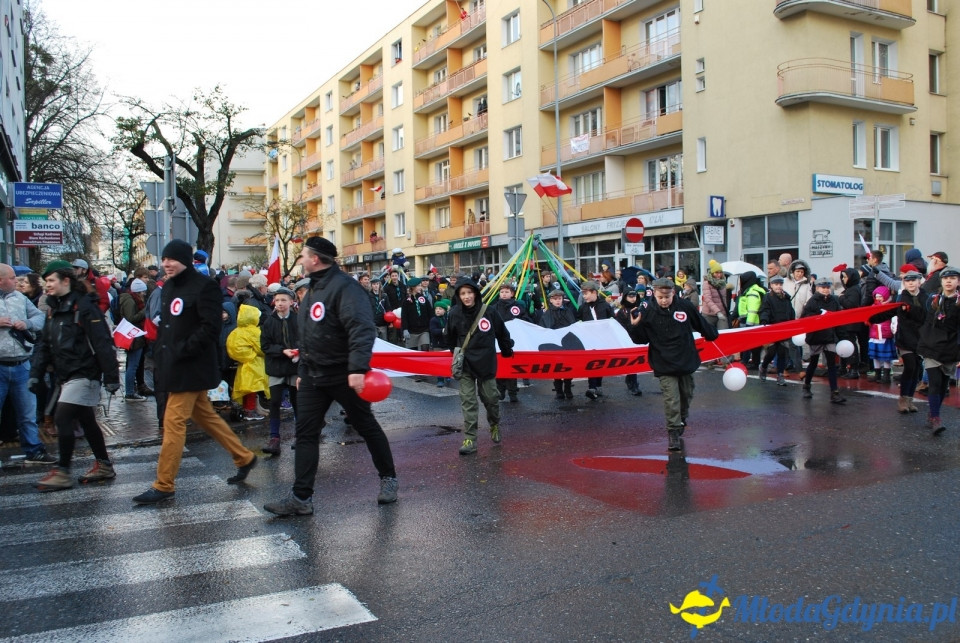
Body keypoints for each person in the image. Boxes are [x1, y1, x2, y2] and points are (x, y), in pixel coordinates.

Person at [264, 237, 399, 516]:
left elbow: (361, 329)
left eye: (303, 255)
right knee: (305, 433)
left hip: (343, 374)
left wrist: (357, 369)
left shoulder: (345, 287)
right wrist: (302, 370)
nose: (301, 260)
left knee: (366, 425)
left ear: (315, 259)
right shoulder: (312, 289)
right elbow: (307, 336)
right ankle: (301, 498)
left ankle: (388, 478)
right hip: (313, 376)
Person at [133, 239, 258, 505]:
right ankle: (244, 457)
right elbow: (167, 326)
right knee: (206, 417)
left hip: (192, 366)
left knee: (173, 423)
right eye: (164, 259)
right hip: (173, 364)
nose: (166, 264)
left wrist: (183, 350)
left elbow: (210, 327)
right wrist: (162, 354)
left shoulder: (204, 287)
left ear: (185, 261)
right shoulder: (168, 287)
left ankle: (164, 484)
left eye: (171, 259)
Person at [30, 263, 120, 490]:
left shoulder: (85, 307)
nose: (47, 285)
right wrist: (36, 373)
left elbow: (102, 342)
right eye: (46, 281)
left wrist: (111, 377)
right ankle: (104, 465)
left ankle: (63, 472)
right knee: (87, 420)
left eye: (51, 280)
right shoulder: (54, 309)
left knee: (63, 417)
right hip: (66, 375)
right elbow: (45, 345)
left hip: (85, 373)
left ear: (66, 281)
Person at [627, 277, 719, 451]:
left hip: (686, 359)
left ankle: (682, 418)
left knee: (686, 394)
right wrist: (634, 326)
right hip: (663, 362)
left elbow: (701, 324)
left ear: (673, 293)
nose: (663, 301)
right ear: (654, 294)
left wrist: (711, 333)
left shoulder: (685, 306)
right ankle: (673, 432)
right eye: (660, 297)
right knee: (671, 399)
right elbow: (640, 339)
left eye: (667, 297)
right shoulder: (647, 311)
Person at [444, 276, 514, 455]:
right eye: (462, 294)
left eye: (469, 292)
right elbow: (450, 339)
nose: (466, 297)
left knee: (491, 399)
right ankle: (470, 439)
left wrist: (507, 350)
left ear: (475, 293)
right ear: (458, 296)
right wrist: (458, 355)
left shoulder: (489, 312)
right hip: (466, 364)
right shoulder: (454, 313)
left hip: (486, 363)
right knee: (468, 402)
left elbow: (502, 333)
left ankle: (494, 424)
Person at [0, 263, 55, 464]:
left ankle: (34, 450)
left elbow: (39, 317)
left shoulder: (20, 298)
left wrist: (28, 324)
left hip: (22, 364)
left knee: (27, 413)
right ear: (1, 280)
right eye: (12, 278)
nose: (17, 281)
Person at [872, 269, 928, 413]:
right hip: (905, 339)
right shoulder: (901, 298)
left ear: (919, 282)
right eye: (907, 281)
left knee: (916, 369)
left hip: (921, 339)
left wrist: (910, 309)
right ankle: (903, 399)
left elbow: (925, 315)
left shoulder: (925, 297)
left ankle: (909, 399)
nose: (911, 283)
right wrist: (872, 319)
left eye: (913, 280)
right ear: (904, 283)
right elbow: (889, 312)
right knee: (910, 366)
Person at [916, 266, 959, 434]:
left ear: (958, 282)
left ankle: (933, 412)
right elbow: (923, 319)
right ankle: (935, 418)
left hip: (950, 349)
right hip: (931, 347)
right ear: (941, 281)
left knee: (942, 385)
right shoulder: (932, 300)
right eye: (946, 278)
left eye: (953, 278)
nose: (949, 281)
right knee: (934, 383)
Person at [260, 287, 299, 455]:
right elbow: (265, 346)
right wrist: (282, 350)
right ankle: (274, 438)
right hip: (276, 366)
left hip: (294, 366)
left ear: (291, 302)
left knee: (297, 401)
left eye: (283, 300)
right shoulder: (269, 322)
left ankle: (300, 435)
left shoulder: (298, 320)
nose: (280, 303)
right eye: (277, 300)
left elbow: (304, 340)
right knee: (275, 401)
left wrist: (297, 350)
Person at [799, 277, 846, 404]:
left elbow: (839, 318)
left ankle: (834, 392)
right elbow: (805, 318)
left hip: (830, 336)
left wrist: (841, 336)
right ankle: (806, 386)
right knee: (813, 363)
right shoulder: (812, 301)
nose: (825, 290)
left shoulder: (834, 300)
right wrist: (819, 315)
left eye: (827, 287)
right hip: (816, 336)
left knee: (831, 365)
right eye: (823, 287)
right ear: (817, 288)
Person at [228, 304, 270, 421]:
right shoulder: (254, 332)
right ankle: (250, 411)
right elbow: (262, 348)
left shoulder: (236, 332)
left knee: (246, 388)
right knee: (253, 388)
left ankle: (253, 408)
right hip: (254, 364)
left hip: (243, 364)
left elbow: (232, 348)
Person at [493, 283, 529, 402]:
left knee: (511, 367)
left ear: (512, 294)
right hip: (498, 341)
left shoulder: (517, 307)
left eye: (506, 292)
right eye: (502, 292)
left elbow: (526, 320)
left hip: (513, 341)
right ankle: (500, 390)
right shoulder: (494, 307)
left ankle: (512, 392)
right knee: (499, 366)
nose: (504, 294)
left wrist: (517, 323)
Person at [578, 280, 615, 399]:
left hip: (603, 340)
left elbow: (612, 321)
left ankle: (598, 386)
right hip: (589, 340)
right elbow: (578, 322)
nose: (584, 296)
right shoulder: (583, 308)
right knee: (592, 363)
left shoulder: (605, 306)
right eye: (583, 294)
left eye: (586, 293)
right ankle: (592, 387)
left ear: (594, 292)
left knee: (601, 363)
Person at [540, 287, 577, 400]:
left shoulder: (567, 311)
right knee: (556, 367)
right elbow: (544, 327)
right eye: (555, 299)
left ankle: (568, 388)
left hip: (567, 343)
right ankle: (559, 390)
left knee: (568, 366)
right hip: (554, 343)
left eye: (559, 298)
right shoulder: (548, 313)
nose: (558, 301)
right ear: (551, 300)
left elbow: (573, 325)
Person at [758, 276, 794, 386]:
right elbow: (765, 310)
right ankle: (764, 366)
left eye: (780, 284)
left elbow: (790, 311)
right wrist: (764, 320)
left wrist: (792, 322)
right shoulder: (768, 297)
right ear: (771, 285)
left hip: (784, 328)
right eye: (776, 284)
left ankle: (780, 375)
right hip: (772, 328)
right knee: (771, 351)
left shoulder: (786, 297)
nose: (778, 286)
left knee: (782, 353)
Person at [118, 278, 149, 402]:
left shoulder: (130, 299)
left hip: (134, 336)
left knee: (133, 364)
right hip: (134, 336)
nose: (144, 294)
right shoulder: (130, 301)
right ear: (138, 292)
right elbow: (131, 318)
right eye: (143, 292)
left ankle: (130, 392)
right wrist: (144, 311)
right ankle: (130, 393)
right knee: (133, 365)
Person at [837, 268, 865, 379]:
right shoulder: (851, 289)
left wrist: (841, 298)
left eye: (845, 277)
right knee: (846, 343)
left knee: (850, 344)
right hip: (848, 321)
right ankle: (844, 367)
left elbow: (851, 304)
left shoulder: (853, 290)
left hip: (851, 322)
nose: (843, 279)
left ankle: (853, 369)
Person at [615, 289, 644, 396]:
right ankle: (633, 384)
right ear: (625, 297)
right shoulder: (622, 312)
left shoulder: (640, 308)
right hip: (627, 339)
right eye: (630, 296)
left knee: (637, 362)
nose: (632, 299)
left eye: (634, 296)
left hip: (640, 338)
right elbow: (620, 327)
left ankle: (632, 381)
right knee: (632, 362)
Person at [866, 286, 896, 384]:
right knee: (875, 355)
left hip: (885, 334)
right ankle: (877, 374)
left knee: (886, 356)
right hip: (874, 334)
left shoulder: (889, 306)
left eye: (880, 296)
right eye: (876, 296)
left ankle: (886, 375)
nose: (878, 298)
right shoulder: (873, 306)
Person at [736, 271, 766, 369]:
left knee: (750, 344)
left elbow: (752, 310)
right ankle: (752, 362)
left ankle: (750, 362)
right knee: (753, 344)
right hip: (751, 322)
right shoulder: (750, 290)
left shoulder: (752, 292)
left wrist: (749, 325)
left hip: (751, 322)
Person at [430, 299, 450, 387]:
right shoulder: (433, 320)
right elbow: (433, 331)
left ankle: (448, 374)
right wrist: (442, 330)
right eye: (436, 309)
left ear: (444, 311)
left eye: (440, 309)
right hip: (437, 344)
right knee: (439, 362)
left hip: (447, 344)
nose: (438, 310)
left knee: (447, 361)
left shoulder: (447, 319)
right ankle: (440, 379)